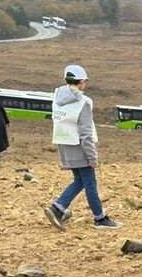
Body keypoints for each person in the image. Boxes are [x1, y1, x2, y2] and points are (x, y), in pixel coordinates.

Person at [43, 64, 120, 230]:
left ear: (65, 79)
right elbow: (85, 133)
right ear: (82, 81)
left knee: (80, 180)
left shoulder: (57, 97)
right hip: (80, 147)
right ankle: (100, 218)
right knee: (90, 182)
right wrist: (92, 156)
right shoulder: (84, 102)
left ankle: (58, 208)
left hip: (64, 145)